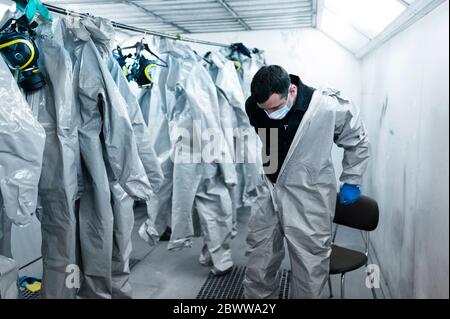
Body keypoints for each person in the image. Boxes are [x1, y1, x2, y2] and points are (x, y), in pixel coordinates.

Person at [243, 65, 370, 299]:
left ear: (291, 90)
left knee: (309, 263)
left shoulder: (327, 107)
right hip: (270, 189)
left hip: (309, 193)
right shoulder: (254, 106)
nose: (269, 114)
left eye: (276, 108)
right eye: (265, 110)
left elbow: (357, 140)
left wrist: (352, 179)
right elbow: (271, 138)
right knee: (259, 256)